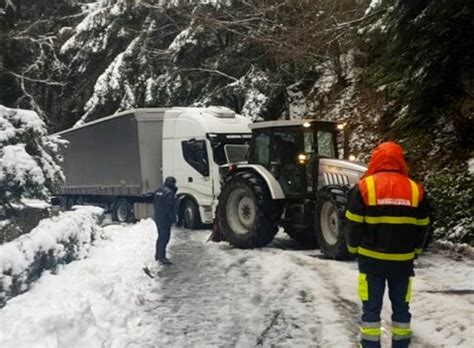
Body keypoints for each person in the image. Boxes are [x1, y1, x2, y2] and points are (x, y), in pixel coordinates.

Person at [344, 142, 430, 348]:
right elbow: (423, 226)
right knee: (401, 309)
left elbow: (353, 222)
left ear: (375, 159)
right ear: (401, 160)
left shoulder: (365, 187)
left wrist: (352, 248)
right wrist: (416, 251)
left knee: (371, 310)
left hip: (371, 262)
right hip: (402, 263)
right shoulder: (415, 189)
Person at [153, 176, 177, 265]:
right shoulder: (169, 193)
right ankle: (162, 257)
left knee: (160, 237)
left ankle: (158, 255)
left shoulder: (158, 191)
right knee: (165, 238)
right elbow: (170, 208)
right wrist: (173, 219)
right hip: (165, 219)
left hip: (158, 217)